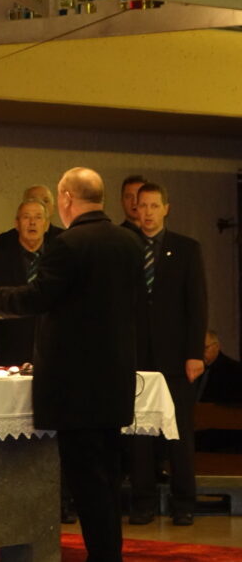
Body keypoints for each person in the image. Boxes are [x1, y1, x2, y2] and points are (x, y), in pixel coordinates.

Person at [0, 167, 143, 562]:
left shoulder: (69, 244)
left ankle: (103, 556)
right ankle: (109, 553)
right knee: (107, 478)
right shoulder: (129, 242)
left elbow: (38, 298)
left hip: (75, 386)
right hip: (114, 380)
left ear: (64, 199)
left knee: (86, 481)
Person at [128, 183, 207, 526]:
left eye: (153, 206)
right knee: (140, 435)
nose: (146, 213)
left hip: (176, 358)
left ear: (166, 209)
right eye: (141, 206)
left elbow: (197, 304)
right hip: (136, 357)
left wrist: (195, 353)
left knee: (179, 434)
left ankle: (184, 502)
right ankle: (142, 502)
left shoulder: (186, 248)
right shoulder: (126, 248)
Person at [0, 199, 50, 365]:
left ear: (46, 225)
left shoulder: (58, 263)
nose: (32, 222)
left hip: (51, 355)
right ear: (16, 224)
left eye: (38, 217)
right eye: (26, 217)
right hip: (8, 356)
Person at [0, 185, 63, 254]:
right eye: (33, 200)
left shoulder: (65, 239)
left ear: (54, 207)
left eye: (46, 201)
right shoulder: (4, 240)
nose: (40, 204)